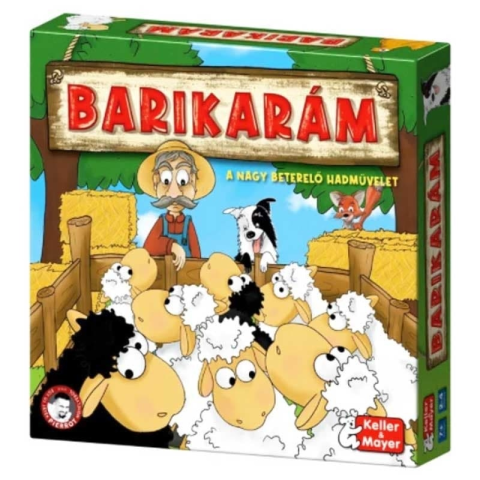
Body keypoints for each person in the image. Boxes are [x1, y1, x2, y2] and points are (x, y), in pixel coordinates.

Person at [137, 141, 215, 270]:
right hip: (162, 274)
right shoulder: (161, 221)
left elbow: (196, 255)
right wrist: (171, 246)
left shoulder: (188, 223)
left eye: (183, 181)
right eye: (166, 181)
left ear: (193, 182)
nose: (174, 194)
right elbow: (148, 247)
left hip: (186, 276)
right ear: (156, 182)